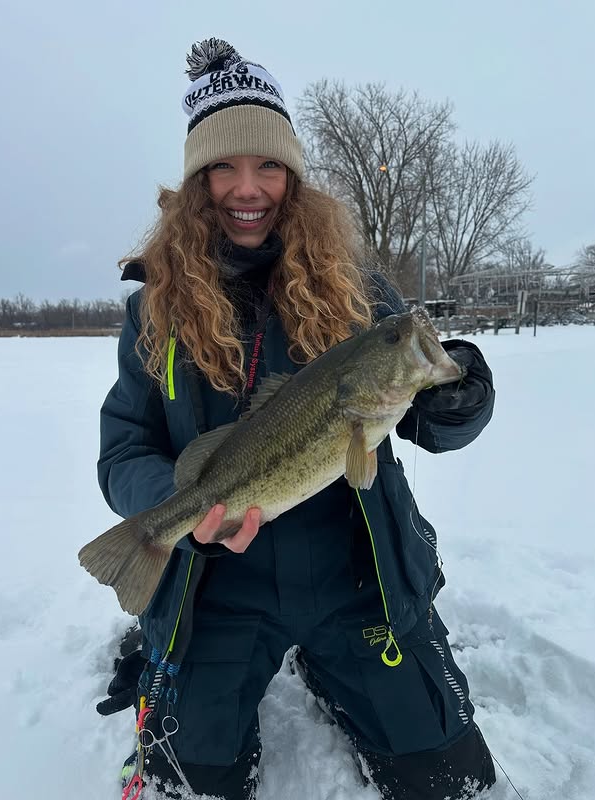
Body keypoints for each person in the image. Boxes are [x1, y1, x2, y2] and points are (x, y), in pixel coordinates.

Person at [96, 37, 497, 800]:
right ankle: (170, 649)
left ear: (295, 177)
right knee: (193, 778)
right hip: (217, 584)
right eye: (223, 167)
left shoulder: (358, 290)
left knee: (449, 777)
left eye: (269, 166)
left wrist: (463, 394)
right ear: (196, 182)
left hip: (357, 577)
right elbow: (123, 451)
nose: (248, 189)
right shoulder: (154, 310)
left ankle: (330, 658)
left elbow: (430, 422)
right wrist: (182, 510)